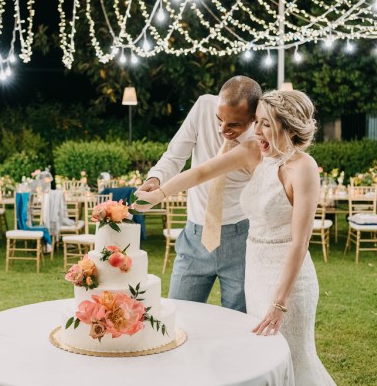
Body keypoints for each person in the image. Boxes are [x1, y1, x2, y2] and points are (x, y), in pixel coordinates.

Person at [136, 90, 335, 384]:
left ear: (289, 127)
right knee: (263, 356)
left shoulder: (303, 168)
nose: (256, 131)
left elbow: (300, 243)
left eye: (266, 124)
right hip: (255, 273)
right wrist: (160, 193)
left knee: (293, 359)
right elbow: (201, 172)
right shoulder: (254, 151)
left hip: (289, 282)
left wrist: (280, 302)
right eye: (256, 122)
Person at [138, 75, 262, 312]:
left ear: (254, 117)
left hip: (241, 239)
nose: (222, 129)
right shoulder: (204, 105)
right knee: (181, 316)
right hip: (194, 236)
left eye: (234, 125)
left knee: (239, 322)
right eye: (219, 119)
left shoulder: (259, 139)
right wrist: (155, 179)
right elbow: (175, 155)